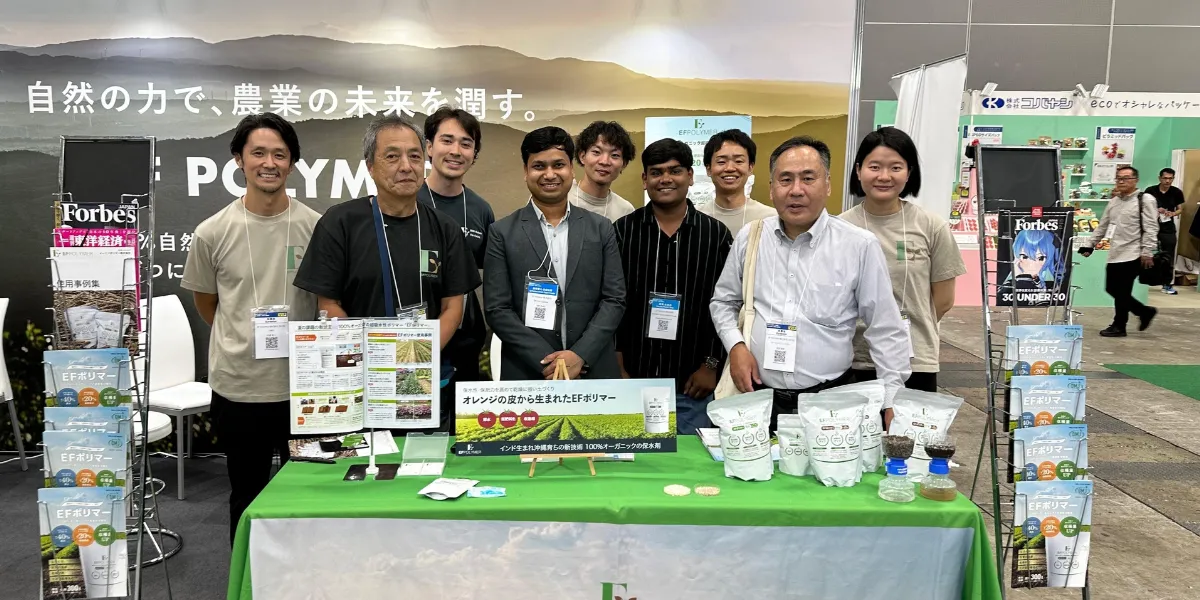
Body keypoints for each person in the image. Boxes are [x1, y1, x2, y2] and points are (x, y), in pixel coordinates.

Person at [181, 113, 321, 544]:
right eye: (258, 152)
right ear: (239, 159)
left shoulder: (316, 227)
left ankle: (304, 575)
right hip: (240, 389)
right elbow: (208, 304)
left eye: (280, 154)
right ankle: (249, 575)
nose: (269, 163)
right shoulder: (212, 232)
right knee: (246, 493)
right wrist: (242, 336)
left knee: (308, 494)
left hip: (304, 390)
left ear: (292, 162)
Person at [293, 115, 481, 429]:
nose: (406, 166)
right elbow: (328, 305)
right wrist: (375, 360)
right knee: (365, 456)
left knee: (419, 455)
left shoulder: (444, 228)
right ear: (370, 166)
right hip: (360, 378)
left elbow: (453, 306)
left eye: (415, 156)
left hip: (421, 377)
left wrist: (417, 357)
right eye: (392, 157)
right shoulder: (340, 223)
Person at [710, 136, 910, 430]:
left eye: (808, 178)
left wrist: (892, 399)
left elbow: (885, 328)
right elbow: (723, 302)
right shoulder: (751, 237)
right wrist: (736, 346)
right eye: (785, 179)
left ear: (827, 185)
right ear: (771, 188)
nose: (796, 190)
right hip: (758, 399)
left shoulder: (858, 245)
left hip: (830, 402)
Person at [484, 126, 626, 380]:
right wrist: (552, 362)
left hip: (592, 369)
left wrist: (580, 355)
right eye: (539, 166)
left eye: (558, 165)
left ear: (572, 169)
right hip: (528, 371)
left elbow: (614, 299)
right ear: (526, 172)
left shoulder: (601, 228)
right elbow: (497, 309)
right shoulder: (502, 232)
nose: (549, 174)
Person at [614, 138, 733, 434]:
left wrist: (711, 364)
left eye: (675, 170)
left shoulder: (715, 235)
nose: (665, 179)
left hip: (693, 384)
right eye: (656, 172)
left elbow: (727, 305)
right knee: (635, 460)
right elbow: (612, 301)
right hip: (633, 379)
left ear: (690, 176)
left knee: (689, 461)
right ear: (645, 180)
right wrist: (616, 362)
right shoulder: (623, 232)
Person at [841, 127, 966, 392]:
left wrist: (901, 330)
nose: (884, 176)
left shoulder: (931, 226)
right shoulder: (839, 228)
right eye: (874, 167)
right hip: (854, 358)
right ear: (858, 170)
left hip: (915, 359)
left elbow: (943, 300)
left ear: (909, 173)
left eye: (895, 167)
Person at [418, 106, 496, 382]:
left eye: (466, 144)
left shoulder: (480, 210)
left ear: (474, 154)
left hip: (466, 337)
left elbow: (488, 270)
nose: (456, 151)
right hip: (412, 329)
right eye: (447, 140)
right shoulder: (408, 200)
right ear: (429, 147)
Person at [1079, 165, 1158, 337]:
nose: (1121, 181)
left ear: (1135, 180)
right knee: (1112, 288)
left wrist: (1147, 251)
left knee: (1122, 292)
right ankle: (1144, 312)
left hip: (1133, 253)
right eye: (1119, 178)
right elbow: (1103, 225)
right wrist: (1090, 244)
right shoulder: (1114, 202)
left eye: (1126, 178)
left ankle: (1119, 325)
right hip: (1115, 253)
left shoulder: (1145, 200)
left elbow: (1151, 227)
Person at [699, 129, 776, 234]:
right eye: (721, 162)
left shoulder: (770, 219)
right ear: (708, 169)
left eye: (739, 161)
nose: (730, 168)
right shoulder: (695, 219)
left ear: (750, 167)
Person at [569, 120, 637, 221]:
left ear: (624, 164)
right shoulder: (562, 199)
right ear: (582, 156)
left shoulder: (625, 211)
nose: (604, 161)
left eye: (615, 155)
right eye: (596, 152)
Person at [1145, 167, 1184, 294]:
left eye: (1170, 178)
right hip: (1150, 226)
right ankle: (1143, 282)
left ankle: (1167, 284)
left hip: (1167, 227)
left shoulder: (1176, 192)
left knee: (1168, 255)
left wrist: (1172, 213)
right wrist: (1156, 210)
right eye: (1165, 178)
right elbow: (1142, 206)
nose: (1167, 181)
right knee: (1145, 252)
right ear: (1160, 178)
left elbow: (1180, 209)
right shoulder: (1150, 191)